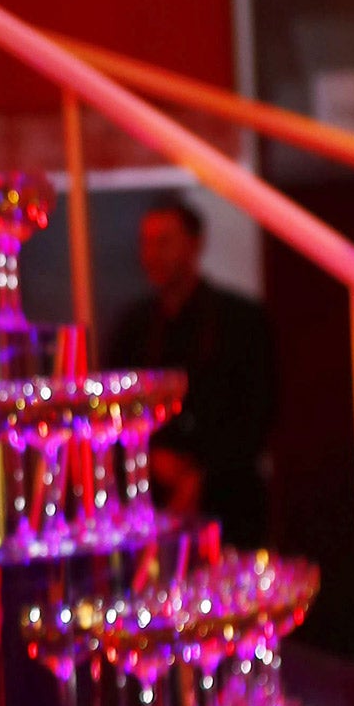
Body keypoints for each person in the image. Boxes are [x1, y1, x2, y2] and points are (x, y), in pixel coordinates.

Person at [107, 194, 278, 549]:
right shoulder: (131, 328)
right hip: (151, 501)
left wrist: (203, 474)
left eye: (164, 242)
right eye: (147, 243)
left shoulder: (241, 320)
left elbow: (261, 411)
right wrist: (151, 457)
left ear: (195, 244)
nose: (152, 255)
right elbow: (110, 414)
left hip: (231, 502)